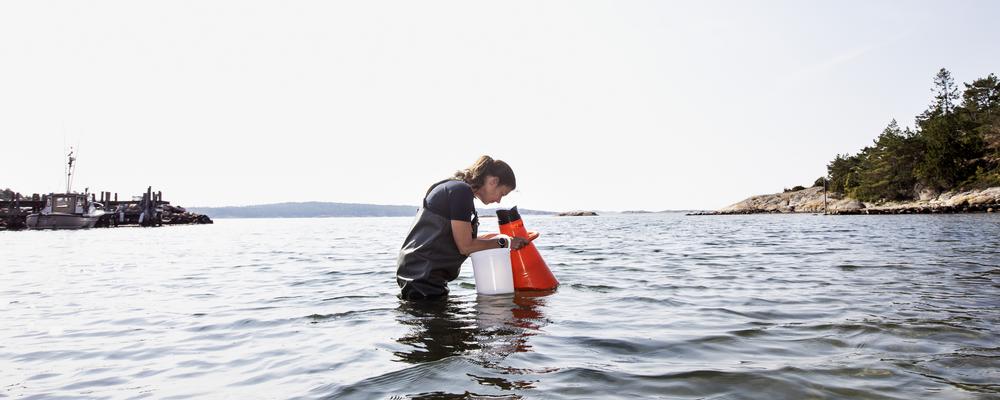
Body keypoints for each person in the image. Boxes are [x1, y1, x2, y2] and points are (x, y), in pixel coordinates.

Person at [396, 155, 537, 300]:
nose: (499, 200)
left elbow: (459, 239)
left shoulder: (455, 188)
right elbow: (465, 246)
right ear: (493, 181)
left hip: (419, 277)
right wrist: (506, 243)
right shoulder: (461, 192)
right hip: (423, 281)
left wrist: (501, 238)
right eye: (502, 193)